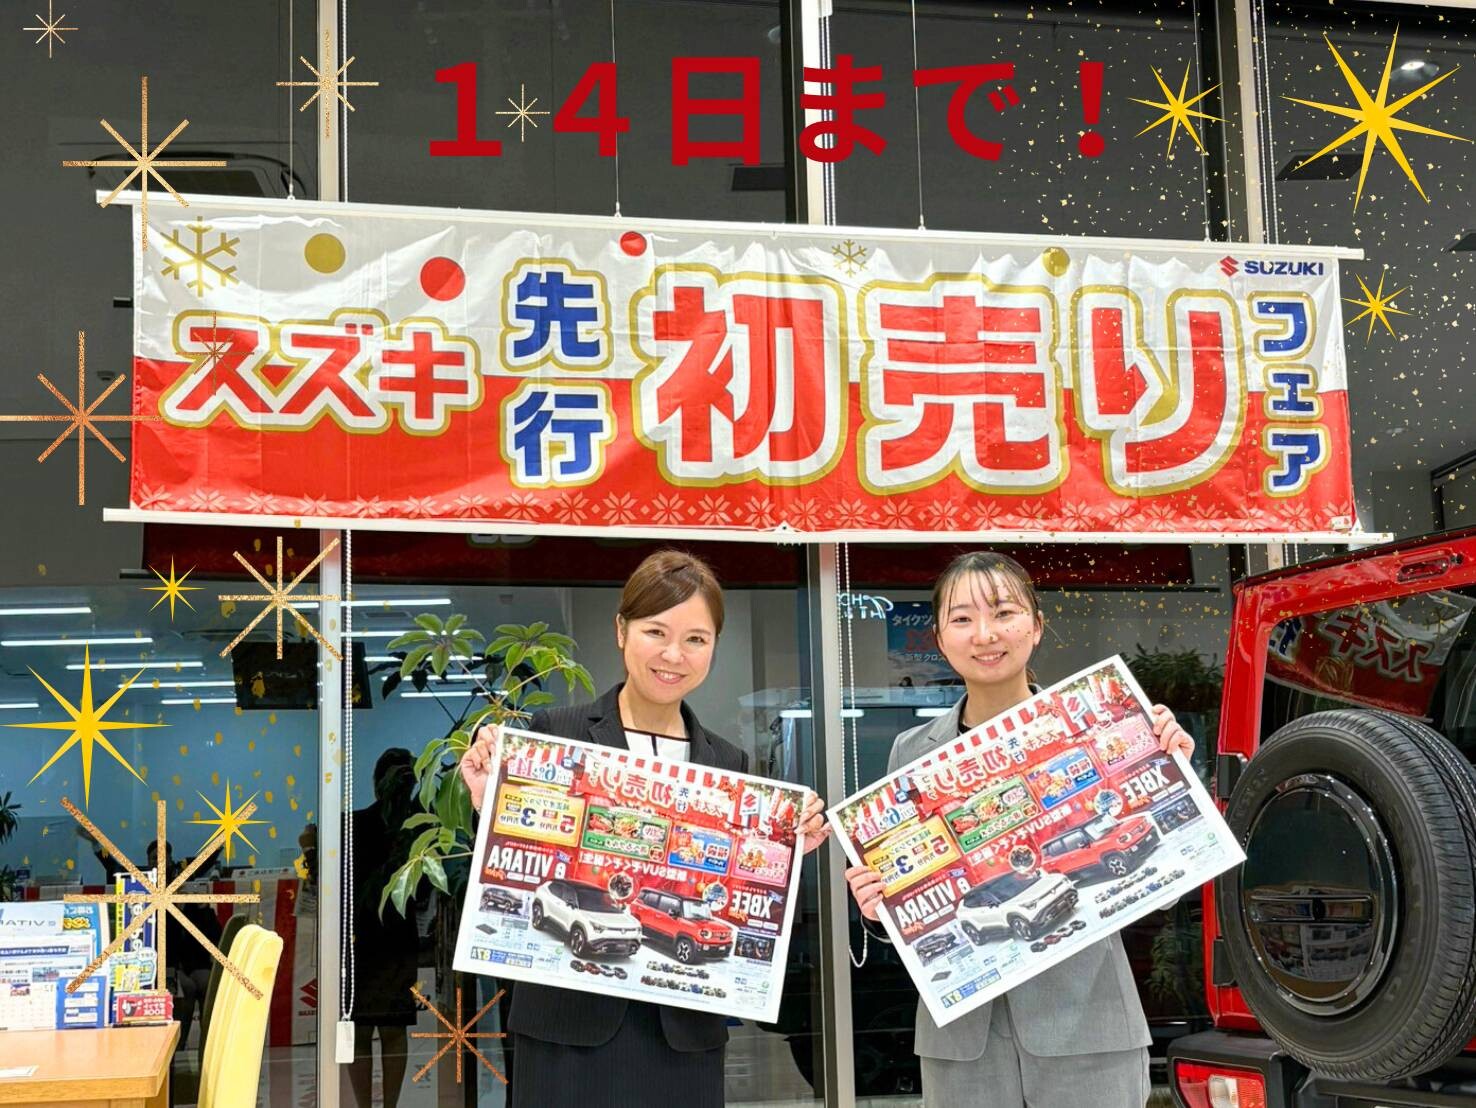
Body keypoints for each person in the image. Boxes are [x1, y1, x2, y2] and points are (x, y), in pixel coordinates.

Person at [459, 549, 831, 1108]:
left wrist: (784, 857)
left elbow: (734, 900)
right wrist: (487, 804)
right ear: (621, 630)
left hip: (682, 1036)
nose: (674, 655)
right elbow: (515, 867)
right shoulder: (556, 733)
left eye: (696, 639)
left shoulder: (728, 765)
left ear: (714, 647)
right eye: (656, 631)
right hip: (567, 1032)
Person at [844, 551, 1196, 1108]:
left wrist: (1173, 777)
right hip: (963, 1038)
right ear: (939, 639)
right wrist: (879, 905)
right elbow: (914, 893)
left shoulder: (1100, 724)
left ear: (1035, 626)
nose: (985, 634)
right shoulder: (910, 753)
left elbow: (1167, 882)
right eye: (962, 618)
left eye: (1004, 613)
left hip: (1089, 1023)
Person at [347, 748, 422, 1108]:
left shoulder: (354, 824)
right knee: (390, 1029)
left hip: (363, 939)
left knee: (364, 1031)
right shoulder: (418, 829)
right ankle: (389, 1106)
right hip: (391, 938)